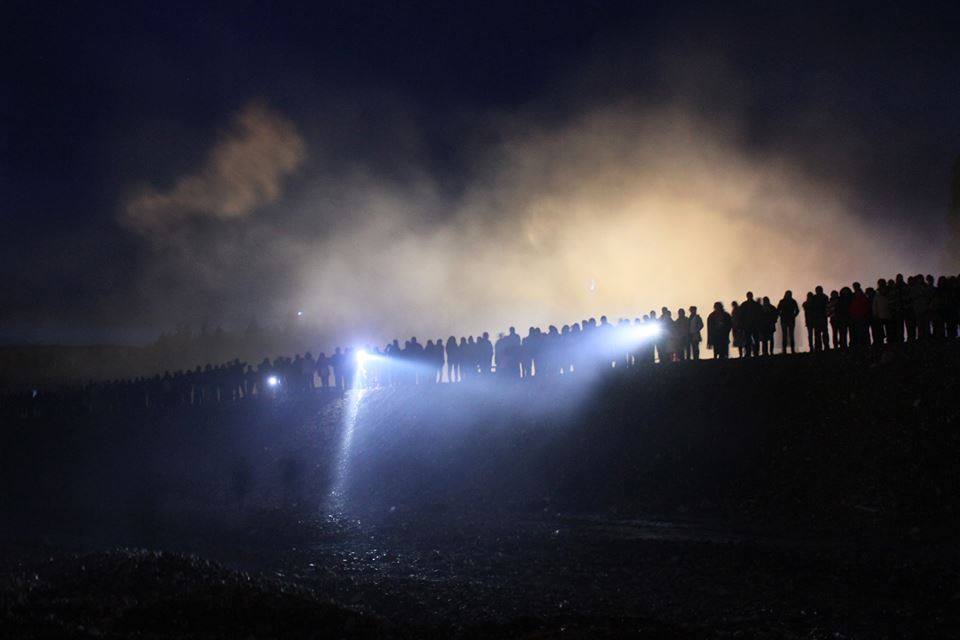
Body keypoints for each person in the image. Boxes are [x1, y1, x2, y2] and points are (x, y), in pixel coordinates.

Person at [738, 292, 762, 357]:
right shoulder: (756, 305)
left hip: (750, 325)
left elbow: (740, 315)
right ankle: (755, 352)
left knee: (749, 340)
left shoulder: (744, 304)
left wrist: (741, 324)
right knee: (753, 339)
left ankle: (749, 353)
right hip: (751, 325)